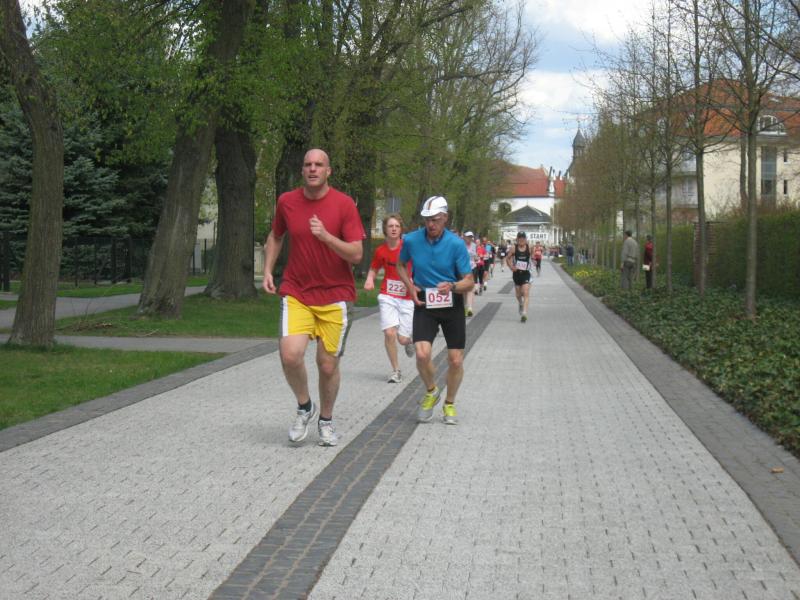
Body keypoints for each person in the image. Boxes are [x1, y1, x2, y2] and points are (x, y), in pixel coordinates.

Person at [263, 148, 365, 447]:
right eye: (308, 164)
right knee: (290, 355)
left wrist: (327, 237)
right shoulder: (287, 201)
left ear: (328, 171)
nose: (312, 169)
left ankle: (326, 421)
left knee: (327, 365)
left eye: (319, 165)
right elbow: (276, 235)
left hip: (336, 296)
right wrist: (267, 270)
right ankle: (305, 406)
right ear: (302, 170)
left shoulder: (344, 205)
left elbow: (357, 254)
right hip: (297, 291)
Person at [395, 195, 473, 425]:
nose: (430, 224)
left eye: (435, 219)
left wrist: (453, 286)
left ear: (445, 218)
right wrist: (410, 287)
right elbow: (400, 264)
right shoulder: (411, 240)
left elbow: (469, 281)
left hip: (451, 302)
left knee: (455, 360)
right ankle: (431, 391)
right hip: (424, 302)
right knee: (421, 354)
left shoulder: (456, 244)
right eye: (427, 219)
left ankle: (449, 403)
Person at [364, 213, 415, 383]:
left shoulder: (408, 248)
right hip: (388, 295)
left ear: (401, 230)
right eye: (390, 226)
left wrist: (416, 283)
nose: (394, 229)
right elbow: (374, 268)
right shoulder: (380, 251)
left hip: (407, 297)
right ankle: (396, 370)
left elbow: (420, 265)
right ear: (385, 229)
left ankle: (409, 341)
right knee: (389, 333)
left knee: (402, 339)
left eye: (397, 226)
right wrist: (370, 279)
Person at [507, 231, 532, 323]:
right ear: (517, 239)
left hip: (526, 273)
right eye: (520, 238)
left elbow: (532, 257)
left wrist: (534, 260)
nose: (521, 240)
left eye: (523, 238)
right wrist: (511, 267)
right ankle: (521, 303)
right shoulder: (514, 248)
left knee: (525, 292)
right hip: (516, 274)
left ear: (525, 239)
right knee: (518, 295)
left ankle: (524, 314)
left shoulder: (529, 248)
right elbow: (507, 258)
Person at [463, 231, 477, 315]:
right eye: (468, 237)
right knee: (464, 289)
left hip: (472, 268)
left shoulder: (474, 245)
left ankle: (470, 308)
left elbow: (475, 256)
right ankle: (465, 306)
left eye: (471, 237)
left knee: (471, 288)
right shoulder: (461, 245)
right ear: (464, 237)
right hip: (463, 269)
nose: (470, 238)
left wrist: (477, 258)